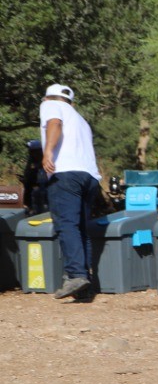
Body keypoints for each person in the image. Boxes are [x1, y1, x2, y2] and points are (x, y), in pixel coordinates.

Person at [38, 83, 102, 300]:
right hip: (90, 176)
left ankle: (75, 275)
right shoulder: (81, 120)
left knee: (66, 224)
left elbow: (55, 124)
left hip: (65, 172)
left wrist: (47, 152)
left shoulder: (50, 105)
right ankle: (85, 283)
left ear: (47, 98)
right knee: (81, 228)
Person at [23, 139, 48, 214]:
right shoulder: (31, 159)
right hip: (31, 188)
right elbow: (28, 173)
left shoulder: (44, 159)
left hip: (41, 188)